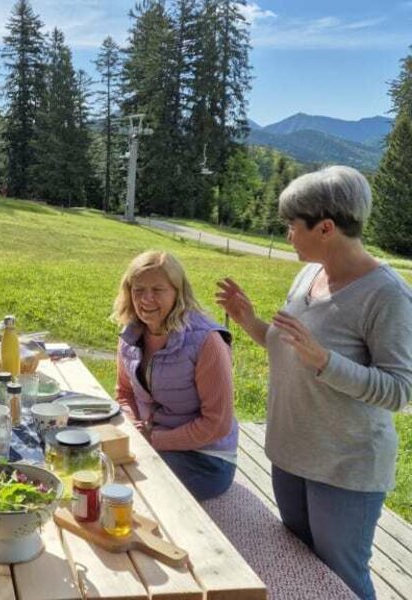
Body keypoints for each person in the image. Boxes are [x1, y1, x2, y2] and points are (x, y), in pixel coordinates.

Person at [216, 165, 412, 600]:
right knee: (299, 567)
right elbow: (287, 347)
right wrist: (250, 320)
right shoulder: (309, 274)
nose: (287, 234)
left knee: (341, 577)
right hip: (291, 455)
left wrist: (326, 360)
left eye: (292, 225)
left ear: (325, 228)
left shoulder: (388, 295)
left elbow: (399, 390)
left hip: (343, 468)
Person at [113, 250, 237, 501]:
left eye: (158, 290)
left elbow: (218, 423)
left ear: (178, 292)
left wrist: (153, 439)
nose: (146, 299)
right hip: (152, 444)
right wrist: (134, 426)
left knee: (125, 483)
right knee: (93, 462)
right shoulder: (132, 334)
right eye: (138, 290)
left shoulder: (207, 341)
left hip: (207, 459)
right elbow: (124, 393)